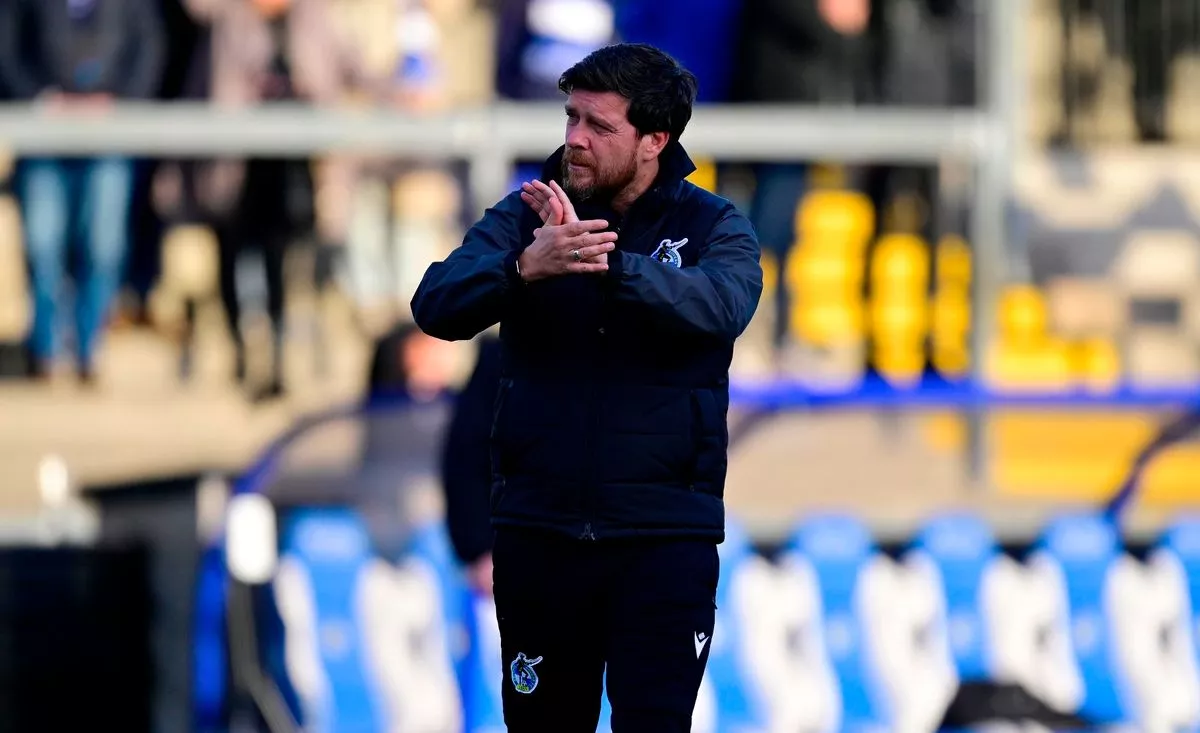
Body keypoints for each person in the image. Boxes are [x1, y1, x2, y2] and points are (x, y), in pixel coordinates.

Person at [411, 43, 762, 732]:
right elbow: (435, 302)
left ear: (655, 139)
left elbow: (724, 306)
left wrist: (608, 267)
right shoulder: (528, 217)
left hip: (662, 542)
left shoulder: (713, 226)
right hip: (541, 538)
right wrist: (523, 268)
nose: (574, 138)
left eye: (599, 127)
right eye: (571, 117)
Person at [0, 0, 166, 383]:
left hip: (109, 137)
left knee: (103, 248)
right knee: (43, 246)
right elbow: (8, 49)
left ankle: (90, 349)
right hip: (41, 138)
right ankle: (47, 351)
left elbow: (149, 47)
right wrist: (40, 100)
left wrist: (118, 102)